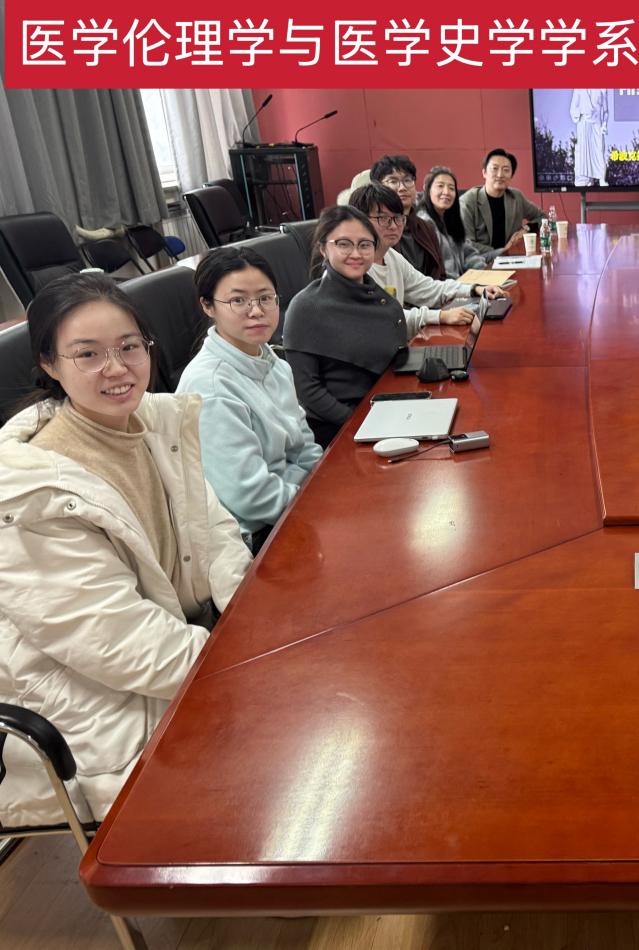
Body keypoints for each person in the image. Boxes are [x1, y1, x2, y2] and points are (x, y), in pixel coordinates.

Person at [0, 273, 251, 827]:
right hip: (97, 702)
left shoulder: (154, 422)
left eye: (129, 347)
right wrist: (244, 662)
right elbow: (114, 641)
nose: (117, 369)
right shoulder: (28, 492)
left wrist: (253, 621)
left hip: (183, 644)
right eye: (88, 354)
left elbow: (214, 532)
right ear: (49, 364)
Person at [176, 246, 322, 551]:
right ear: (207, 306)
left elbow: (304, 446)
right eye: (238, 300)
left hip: (293, 501)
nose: (256, 311)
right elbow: (250, 496)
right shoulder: (210, 386)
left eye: (265, 298)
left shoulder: (272, 362)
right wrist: (318, 505)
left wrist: (324, 485)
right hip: (253, 535)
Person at [283, 206, 428, 447]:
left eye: (364, 245)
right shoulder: (305, 307)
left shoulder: (376, 295)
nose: (356, 253)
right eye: (343, 244)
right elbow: (308, 390)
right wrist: (359, 422)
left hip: (386, 410)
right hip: (340, 428)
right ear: (323, 248)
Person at [347, 183, 502, 328]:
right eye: (383, 218)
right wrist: (440, 316)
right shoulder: (353, 266)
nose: (393, 226)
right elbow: (382, 317)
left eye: (398, 218)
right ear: (360, 221)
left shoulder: (391, 257)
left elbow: (427, 288)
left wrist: (473, 289)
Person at [459, 149, 545, 263]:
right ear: (484, 173)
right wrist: (503, 251)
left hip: (512, 259)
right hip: (481, 262)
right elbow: (466, 245)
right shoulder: (467, 202)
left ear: (511, 175)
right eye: (495, 169)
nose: (500, 175)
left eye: (506, 170)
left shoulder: (516, 197)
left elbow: (543, 217)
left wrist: (527, 229)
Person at [371, 154, 446, 280]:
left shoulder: (426, 227)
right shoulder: (374, 229)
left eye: (407, 180)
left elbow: (441, 274)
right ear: (378, 187)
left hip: (431, 290)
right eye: (393, 181)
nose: (402, 188)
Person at [418, 165, 486, 279]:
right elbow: (441, 272)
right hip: (446, 286)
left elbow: (468, 252)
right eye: (440, 186)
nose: (446, 192)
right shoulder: (424, 223)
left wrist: (481, 272)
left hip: (464, 282)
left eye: (451, 188)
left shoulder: (450, 218)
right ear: (427, 189)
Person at [570, 88, 613, 187]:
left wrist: (604, 125)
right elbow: (573, 109)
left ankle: (602, 180)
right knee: (584, 152)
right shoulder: (579, 89)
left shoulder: (602, 89)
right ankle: (587, 180)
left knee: (599, 152)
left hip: (597, 125)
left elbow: (606, 111)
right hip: (583, 124)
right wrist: (581, 111)